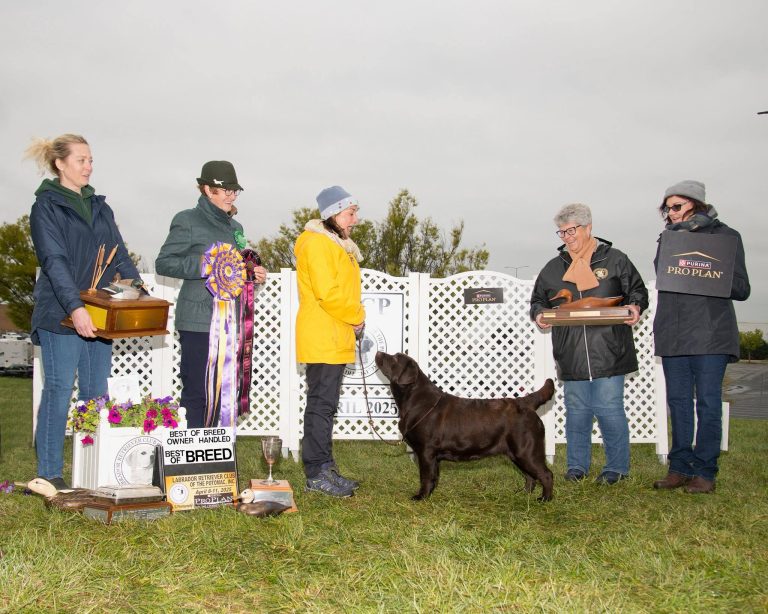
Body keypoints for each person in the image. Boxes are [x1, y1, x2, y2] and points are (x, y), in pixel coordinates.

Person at [26, 133, 141, 490]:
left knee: (95, 392)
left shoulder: (100, 206)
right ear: (60, 164)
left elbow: (119, 253)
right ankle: (49, 473)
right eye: (81, 160)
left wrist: (137, 288)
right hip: (61, 313)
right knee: (59, 389)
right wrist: (75, 308)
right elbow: (54, 261)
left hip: (101, 313)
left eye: (91, 160)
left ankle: (90, 468)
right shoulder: (46, 206)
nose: (89, 166)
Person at [530, 203, 648, 485]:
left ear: (588, 227)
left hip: (610, 353)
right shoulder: (552, 268)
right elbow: (537, 301)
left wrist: (635, 306)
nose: (566, 237)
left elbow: (637, 290)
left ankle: (616, 468)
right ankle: (576, 467)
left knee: (609, 409)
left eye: (571, 231)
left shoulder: (616, 260)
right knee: (577, 412)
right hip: (571, 355)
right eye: (561, 233)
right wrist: (538, 315)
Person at [652, 180, 750, 494]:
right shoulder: (667, 239)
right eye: (666, 208)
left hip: (711, 335)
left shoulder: (725, 237)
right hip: (674, 333)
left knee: (708, 403)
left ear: (697, 204)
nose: (671, 213)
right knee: (678, 402)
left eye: (677, 206)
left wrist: (709, 271)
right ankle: (679, 468)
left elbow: (742, 288)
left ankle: (705, 472)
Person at [155, 161, 267, 428]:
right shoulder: (187, 220)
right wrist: (207, 265)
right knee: (197, 393)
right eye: (224, 189)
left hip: (231, 323)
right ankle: (192, 458)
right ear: (206, 189)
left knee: (225, 393)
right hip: (198, 321)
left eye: (234, 190)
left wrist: (253, 274)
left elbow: (236, 270)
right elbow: (164, 263)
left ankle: (217, 457)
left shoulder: (235, 227)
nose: (230, 194)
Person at [295, 186, 365, 497]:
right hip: (323, 334)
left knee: (326, 406)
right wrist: (357, 315)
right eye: (351, 213)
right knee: (321, 406)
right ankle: (316, 473)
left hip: (334, 334)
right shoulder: (318, 244)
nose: (355, 219)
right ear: (333, 214)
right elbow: (328, 293)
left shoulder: (337, 244)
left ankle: (326, 467)